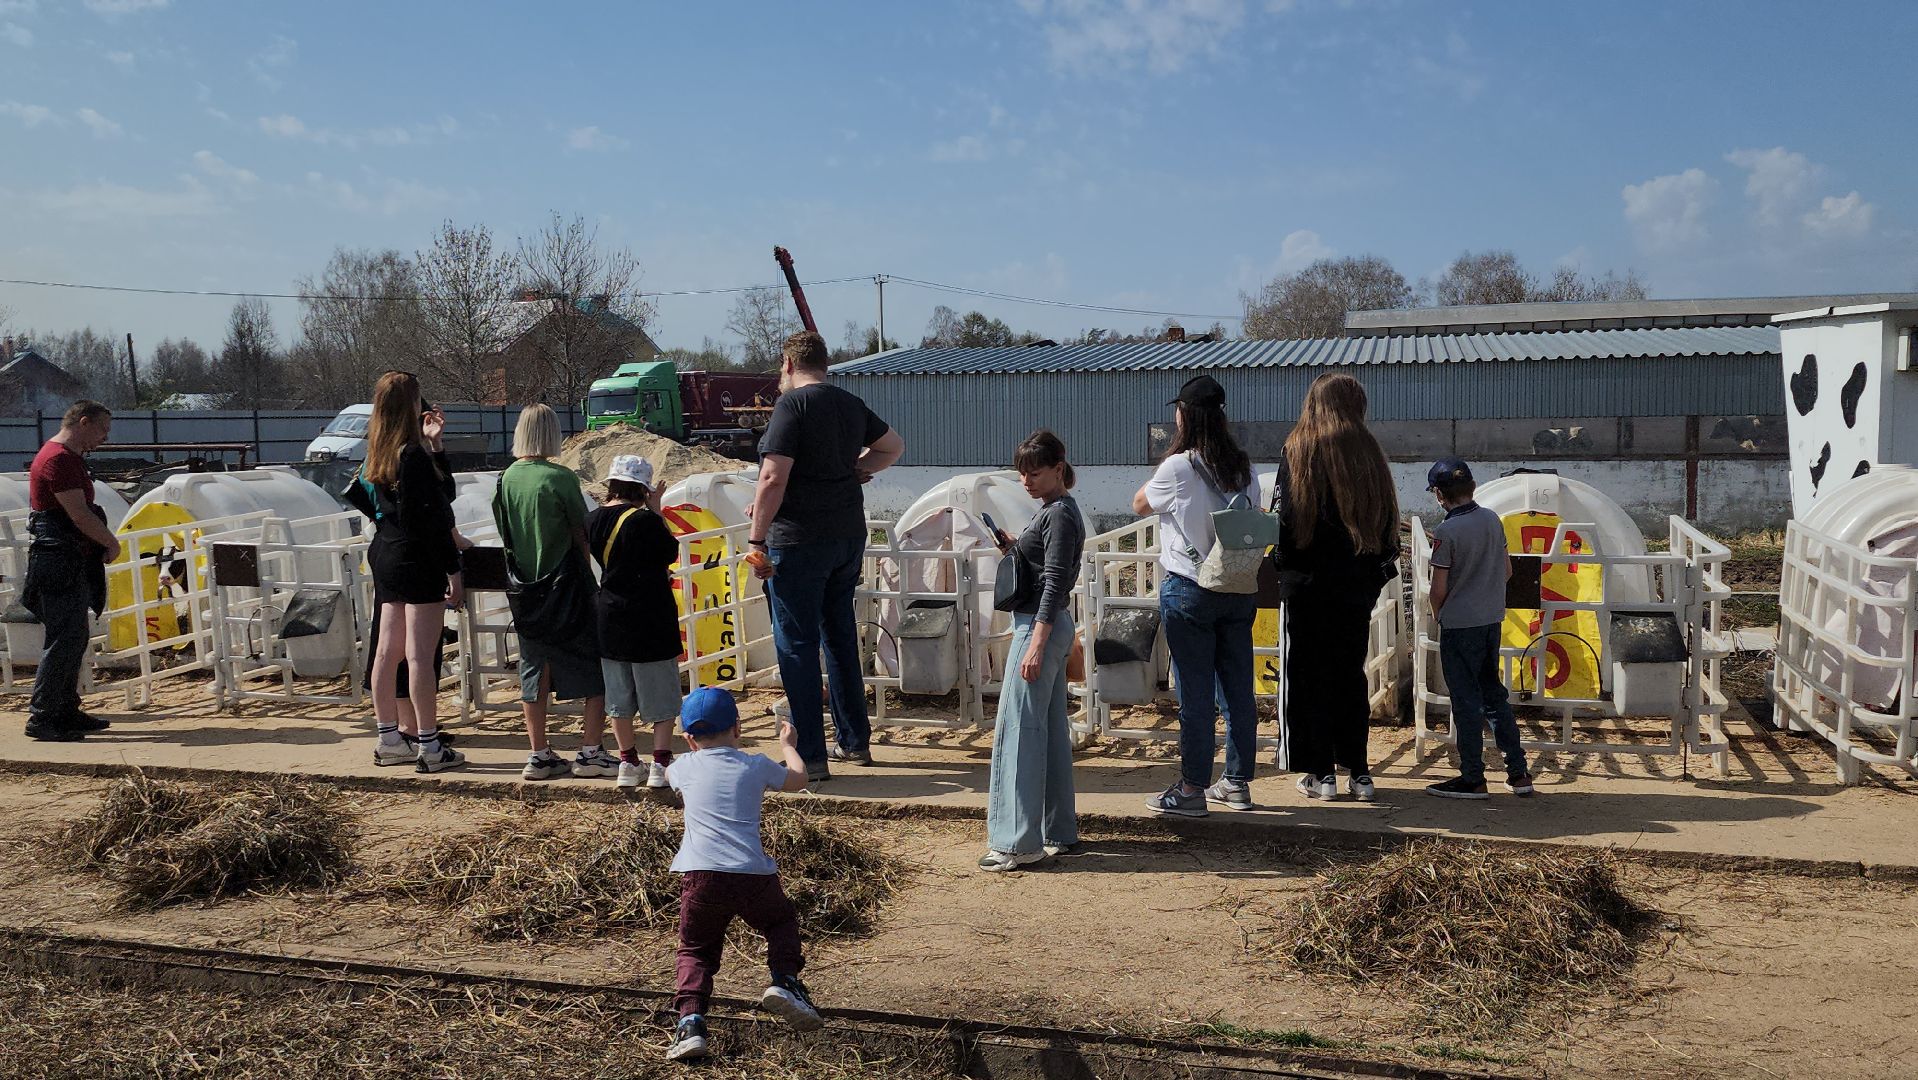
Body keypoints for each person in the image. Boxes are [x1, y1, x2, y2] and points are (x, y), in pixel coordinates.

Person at [747, 330, 905, 783]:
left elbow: (773, 478)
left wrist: (757, 540)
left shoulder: (790, 406)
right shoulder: (849, 404)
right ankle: (854, 742)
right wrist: (856, 471)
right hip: (846, 537)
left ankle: (811, 756)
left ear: (788, 363)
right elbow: (893, 446)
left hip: (798, 542)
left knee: (796, 645)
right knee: (838, 637)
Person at [664, 687, 821, 1063]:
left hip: (700, 875)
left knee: (696, 949)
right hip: (752, 874)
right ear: (738, 727)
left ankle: (690, 1023)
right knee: (780, 922)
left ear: (689, 738)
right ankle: (784, 981)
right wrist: (787, 745)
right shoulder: (755, 764)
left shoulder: (682, 767)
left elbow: (670, 775)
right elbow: (799, 778)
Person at [1132, 374, 1261, 818]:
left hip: (1189, 588)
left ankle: (1191, 789)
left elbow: (1139, 505)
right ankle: (1238, 782)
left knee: (1196, 695)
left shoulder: (1178, 467)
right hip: (1237, 587)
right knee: (1238, 690)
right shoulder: (1243, 467)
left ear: (1184, 415)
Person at [1272, 372, 1401, 803]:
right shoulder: (1371, 453)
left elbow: (1283, 521)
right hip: (1354, 587)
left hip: (1306, 586)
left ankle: (1321, 773)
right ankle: (1360, 773)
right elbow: (1388, 527)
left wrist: (1279, 567)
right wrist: (1371, 576)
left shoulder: (1298, 450)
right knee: (1350, 675)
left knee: (1308, 677)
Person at [979, 431, 1085, 872]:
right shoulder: (1058, 511)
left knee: (1019, 733)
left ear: (1058, 469)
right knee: (1051, 732)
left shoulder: (1057, 514)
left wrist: (1036, 643)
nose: (1026, 481)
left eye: (1035, 473)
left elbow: (1056, 580)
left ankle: (1017, 842)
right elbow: (1048, 570)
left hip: (1038, 625)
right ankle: (1057, 829)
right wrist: (1015, 548)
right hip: (1049, 624)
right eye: (1022, 473)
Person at [493, 403, 612, 782]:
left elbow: (505, 529)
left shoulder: (507, 477)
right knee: (597, 664)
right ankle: (590, 749)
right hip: (567, 585)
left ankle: (539, 754)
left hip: (525, 589)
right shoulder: (560, 477)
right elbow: (582, 531)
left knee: (534, 669)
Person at [359, 372, 466, 774]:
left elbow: (440, 496)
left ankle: (388, 738)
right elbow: (434, 517)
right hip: (416, 558)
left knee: (387, 651)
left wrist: (435, 445)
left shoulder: (378, 451)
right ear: (410, 405)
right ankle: (429, 744)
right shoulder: (411, 456)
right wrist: (452, 569)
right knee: (420, 655)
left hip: (385, 552)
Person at [1422, 458, 1533, 799]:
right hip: (1490, 620)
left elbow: (1438, 588)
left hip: (1459, 624)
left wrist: (1439, 614)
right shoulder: (1491, 519)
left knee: (1465, 702)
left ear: (1440, 495)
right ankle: (1519, 773)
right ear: (1470, 487)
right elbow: (1507, 571)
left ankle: (1472, 776)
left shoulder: (1446, 532)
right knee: (1494, 697)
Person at [22, 400, 120, 742]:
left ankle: (65, 709)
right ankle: (44, 715)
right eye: (102, 429)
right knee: (64, 639)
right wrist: (110, 542)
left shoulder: (67, 458)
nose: (105, 438)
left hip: (67, 557)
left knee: (74, 636)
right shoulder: (59, 459)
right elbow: (78, 514)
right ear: (83, 422)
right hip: (58, 558)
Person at [587, 454, 683, 790]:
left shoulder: (593, 519)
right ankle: (660, 763)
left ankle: (628, 763)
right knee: (659, 694)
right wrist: (657, 511)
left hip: (609, 614)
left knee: (619, 696)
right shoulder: (645, 521)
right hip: (650, 616)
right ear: (643, 489)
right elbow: (669, 552)